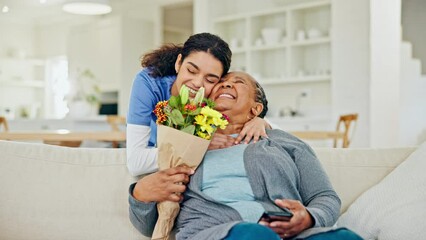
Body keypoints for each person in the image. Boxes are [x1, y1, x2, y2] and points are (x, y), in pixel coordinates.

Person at [128, 72, 362, 240]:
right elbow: (150, 225)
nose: (226, 86)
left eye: (237, 83)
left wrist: (310, 218)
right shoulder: (186, 142)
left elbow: (325, 196)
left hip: (293, 234)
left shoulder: (284, 142)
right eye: (220, 84)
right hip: (215, 233)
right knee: (254, 235)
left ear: (256, 109)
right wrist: (140, 194)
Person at [126, 33, 270, 178]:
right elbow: (136, 163)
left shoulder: (211, 96)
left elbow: (247, 120)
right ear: (179, 62)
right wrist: (198, 145)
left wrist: (260, 121)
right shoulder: (149, 83)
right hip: (154, 156)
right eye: (191, 71)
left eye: (210, 79)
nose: (197, 83)